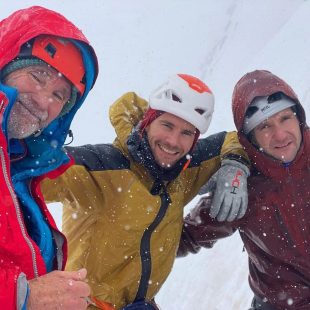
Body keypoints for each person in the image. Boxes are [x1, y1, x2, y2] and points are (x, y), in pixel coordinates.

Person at [42, 73, 250, 309]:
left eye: (186, 133)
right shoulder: (103, 168)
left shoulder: (183, 171)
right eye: (167, 125)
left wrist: (235, 165)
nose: (173, 141)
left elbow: (235, 140)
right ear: (148, 121)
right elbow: (28, 173)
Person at [178, 70, 310, 310]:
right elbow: (181, 238)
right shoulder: (242, 188)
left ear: (298, 117)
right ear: (251, 138)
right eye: (264, 126)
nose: (280, 134)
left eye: (284, 118)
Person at [0, 6, 98, 309]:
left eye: (59, 95)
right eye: (38, 75)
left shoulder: (20, 171)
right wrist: (22, 296)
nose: (44, 101)